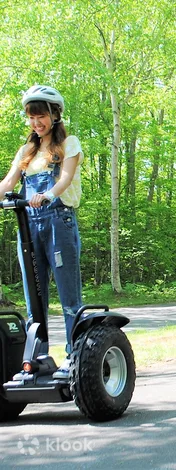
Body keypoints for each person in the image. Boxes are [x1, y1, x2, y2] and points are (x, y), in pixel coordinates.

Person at [0, 85, 84, 379]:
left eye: (42, 116)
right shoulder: (27, 151)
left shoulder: (69, 144)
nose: (37, 123)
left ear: (55, 115)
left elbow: (65, 179)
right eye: (32, 117)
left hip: (59, 222)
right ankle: (38, 359)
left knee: (69, 296)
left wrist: (47, 195)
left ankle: (75, 357)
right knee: (34, 297)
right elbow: (8, 182)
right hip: (29, 225)